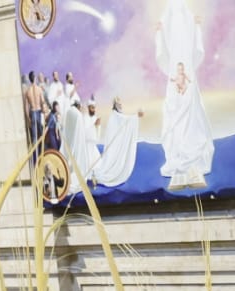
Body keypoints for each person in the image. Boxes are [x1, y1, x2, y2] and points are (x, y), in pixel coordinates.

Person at [156, 4, 215, 190]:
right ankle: (178, 165)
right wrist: (159, 33)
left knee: (191, 113)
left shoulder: (187, 13)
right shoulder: (168, 13)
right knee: (175, 112)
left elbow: (196, 45)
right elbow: (162, 43)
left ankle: (193, 165)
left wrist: (196, 27)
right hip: (175, 64)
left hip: (186, 65)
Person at [90, 98, 143, 188]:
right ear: (115, 105)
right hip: (114, 146)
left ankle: (97, 176)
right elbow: (125, 121)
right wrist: (136, 116)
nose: (121, 105)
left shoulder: (117, 115)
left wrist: (135, 117)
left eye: (121, 103)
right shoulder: (115, 115)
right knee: (111, 166)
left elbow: (124, 122)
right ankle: (99, 177)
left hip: (116, 145)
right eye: (119, 104)